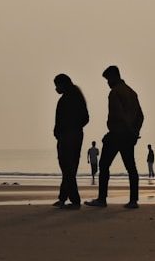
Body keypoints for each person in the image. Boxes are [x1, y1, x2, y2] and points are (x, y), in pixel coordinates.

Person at [85, 66, 144, 209]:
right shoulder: (132, 92)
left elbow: (118, 115)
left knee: (104, 165)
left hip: (118, 134)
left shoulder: (115, 93)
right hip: (128, 135)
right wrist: (135, 132)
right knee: (131, 167)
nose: (107, 83)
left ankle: (102, 199)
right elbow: (141, 116)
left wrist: (124, 130)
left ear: (113, 77)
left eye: (108, 79)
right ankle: (133, 200)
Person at [53, 73, 89, 209]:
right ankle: (63, 198)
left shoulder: (69, 99)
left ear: (63, 84)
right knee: (69, 168)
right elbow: (85, 118)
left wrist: (68, 129)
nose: (56, 89)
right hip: (73, 136)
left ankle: (74, 200)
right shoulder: (76, 97)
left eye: (57, 85)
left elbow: (83, 118)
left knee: (67, 168)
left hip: (68, 137)